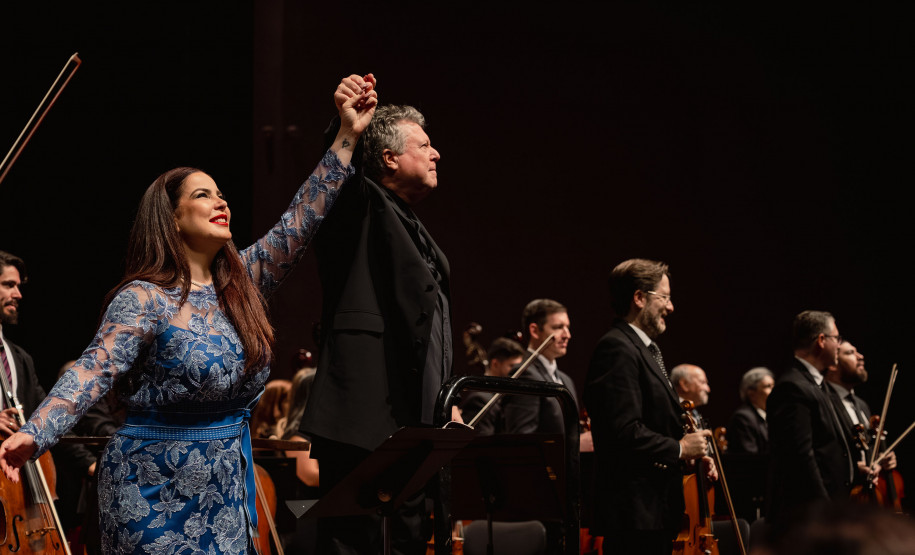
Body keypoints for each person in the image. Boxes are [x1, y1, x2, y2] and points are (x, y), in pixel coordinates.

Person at [0, 73, 378, 555]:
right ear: (172, 217)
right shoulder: (143, 298)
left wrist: (347, 133)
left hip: (226, 487)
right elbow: (92, 370)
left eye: (221, 194)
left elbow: (303, 216)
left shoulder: (244, 281)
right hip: (149, 489)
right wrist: (35, 433)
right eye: (203, 195)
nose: (221, 201)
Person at [299, 102, 454, 554]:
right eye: (424, 145)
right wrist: (347, 127)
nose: (436, 153)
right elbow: (340, 178)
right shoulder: (360, 205)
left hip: (412, 425)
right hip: (363, 419)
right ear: (389, 158)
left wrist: (446, 400)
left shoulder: (414, 225)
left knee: (408, 542)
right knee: (355, 543)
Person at [583, 258, 716, 555]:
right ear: (639, 298)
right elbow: (622, 431)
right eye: (664, 297)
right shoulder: (617, 348)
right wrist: (680, 448)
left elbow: (656, 423)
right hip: (635, 514)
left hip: (653, 511)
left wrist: (690, 458)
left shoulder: (643, 348)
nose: (671, 307)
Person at [765, 310, 863, 538]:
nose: (838, 345)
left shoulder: (818, 385)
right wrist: (825, 509)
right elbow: (801, 457)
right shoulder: (793, 387)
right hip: (806, 516)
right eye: (836, 338)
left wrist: (854, 469)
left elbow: (825, 448)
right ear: (821, 340)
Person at [825, 340, 897, 490]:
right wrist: (850, 469)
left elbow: (868, 451)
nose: (860, 356)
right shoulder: (824, 403)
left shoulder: (862, 405)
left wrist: (881, 461)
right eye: (850, 353)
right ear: (833, 365)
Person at [502, 299, 578, 436]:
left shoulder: (566, 380)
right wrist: (575, 445)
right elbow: (521, 438)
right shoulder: (525, 375)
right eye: (558, 327)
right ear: (535, 331)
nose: (567, 335)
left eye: (567, 327)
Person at [458, 336, 525, 435]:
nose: (518, 371)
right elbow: (484, 441)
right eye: (512, 366)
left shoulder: (509, 398)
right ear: (495, 364)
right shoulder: (480, 400)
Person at [727, 367, 774, 456]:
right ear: (751, 394)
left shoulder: (770, 415)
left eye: (773, 385)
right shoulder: (743, 418)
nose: (774, 390)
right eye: (768, 386)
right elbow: (750, 458)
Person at [670, 363, 711, 428]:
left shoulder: (693, 412)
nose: (708, 389)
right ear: (684, 384)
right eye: (702, 382)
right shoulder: (672, 411)